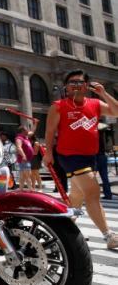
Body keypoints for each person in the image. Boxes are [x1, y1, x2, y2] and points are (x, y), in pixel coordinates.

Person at [43, 69, 118, 249]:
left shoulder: (95, 103)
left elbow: (116, 112)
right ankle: (109, 235)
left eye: (80, 82)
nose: (76, 85)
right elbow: (50, 131)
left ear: (87, 86)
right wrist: (48, 153)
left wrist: (104, 93)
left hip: (90, 156)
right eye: (72, 82)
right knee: (92, 192)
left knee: (77, 195)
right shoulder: (59, 106)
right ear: (66, 87)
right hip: (70, 156)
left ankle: (64, 228)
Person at [15, 126, 34, 190]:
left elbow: (32, 132)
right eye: (26, 130)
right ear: (22, 131)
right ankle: (31, 189)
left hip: (26, 160)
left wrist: (36, 124)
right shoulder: (19, 138)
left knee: (23, 176)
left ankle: (21, 189)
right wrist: (23, 155)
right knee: (27, 175)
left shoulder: (25, 137)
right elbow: (18, 147)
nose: (28, 130)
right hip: (24, 160)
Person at [97, 123, 112, 200]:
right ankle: (108, 194)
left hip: (95, 157)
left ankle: (94, 195)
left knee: (91, 178)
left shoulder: (94, 136)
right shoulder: (103, 135)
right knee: (104, 177)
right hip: (102, 156)